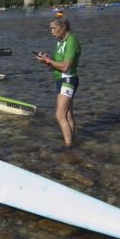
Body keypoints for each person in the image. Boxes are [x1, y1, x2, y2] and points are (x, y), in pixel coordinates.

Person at [35, 17, 80, 147]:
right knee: (68, 114)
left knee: (59, 115)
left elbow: (65, 66)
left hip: (68, 79)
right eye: (51, 29)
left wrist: (48, 61)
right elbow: (56, 64)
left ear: (63, 27)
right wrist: (46, 60)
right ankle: (73, 141)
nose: (51, 31)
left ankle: (68, 147)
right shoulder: (60, 41)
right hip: (61, 79)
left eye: (54, 28)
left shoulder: (72, 41)